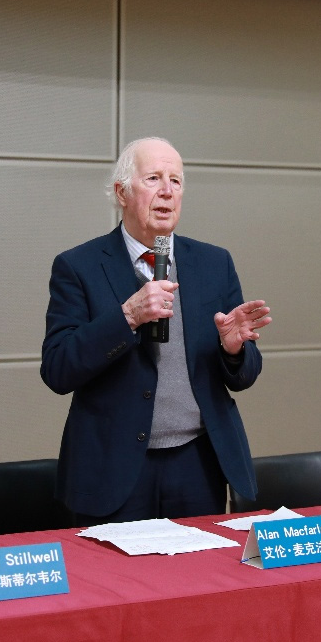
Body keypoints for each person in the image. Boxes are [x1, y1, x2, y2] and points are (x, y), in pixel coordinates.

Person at [41, 137, 272, 524]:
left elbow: (245, 376)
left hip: (198, 462)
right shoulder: (78, 266)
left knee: (201, 564)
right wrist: (127, 317)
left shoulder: (214, 263)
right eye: (153, 178)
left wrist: (233, 351)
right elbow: (58, 369)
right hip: (113, 467)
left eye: (176, 181)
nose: (167, 191)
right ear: (122, 193)